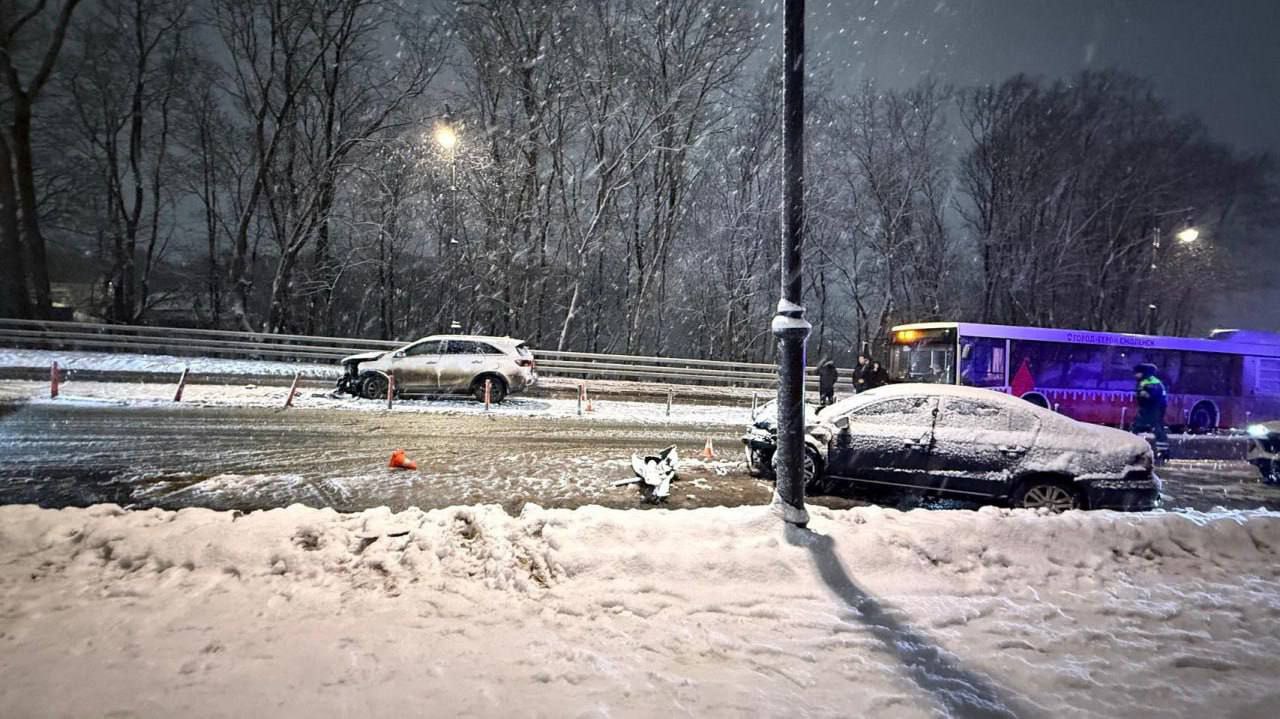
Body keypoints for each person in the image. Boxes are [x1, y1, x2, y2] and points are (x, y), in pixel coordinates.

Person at [1132, 363, 1169, 448]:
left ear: (1142, 372)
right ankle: (1161, 448)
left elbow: (1153, 396)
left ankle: (1162, 450)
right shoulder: (1145, 381)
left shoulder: (1151, 382)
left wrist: (1145, 395)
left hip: (1153, 409)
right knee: (1138, 426)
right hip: (1148, 409)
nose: (1135, 375)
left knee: (1156, 427)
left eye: (1137, 373)